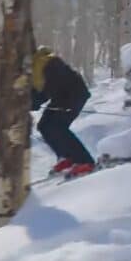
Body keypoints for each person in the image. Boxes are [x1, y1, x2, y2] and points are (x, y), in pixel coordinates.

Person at [31, 46, 96, 177]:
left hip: (74, 95)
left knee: (57, 127)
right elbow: (39, 90)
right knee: (44, 125)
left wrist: (35, 102)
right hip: (62, 96)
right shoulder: (37, 67)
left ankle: (85, 161)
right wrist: (32, 102)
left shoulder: (46, 63)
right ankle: (67, 157)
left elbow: (47, 88)